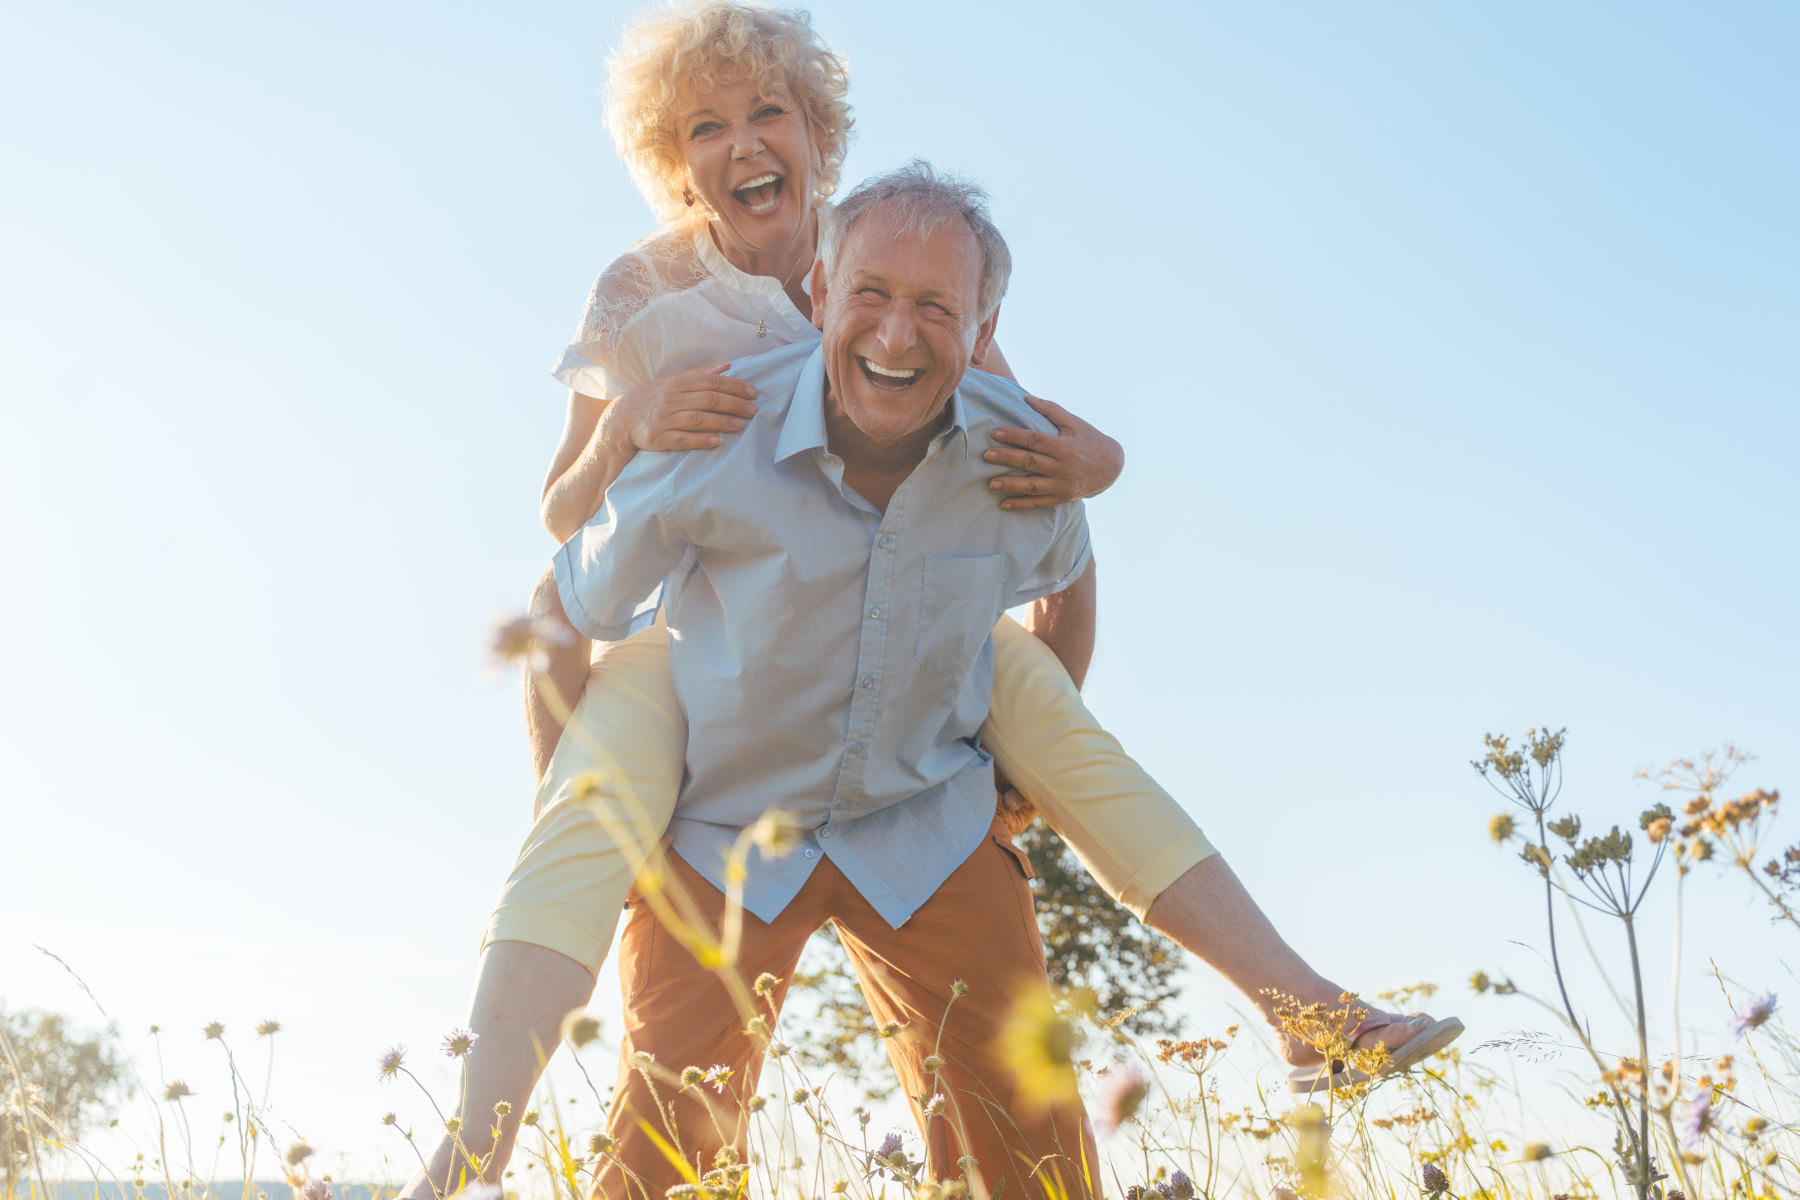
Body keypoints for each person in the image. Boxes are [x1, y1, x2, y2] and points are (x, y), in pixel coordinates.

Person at [397, 4, 1460, 1197]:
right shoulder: (658, 307)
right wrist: (637, 425)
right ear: (671, 156)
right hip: (720, 682)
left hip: (911, 709)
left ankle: (1297, 1004)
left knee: (1047, 724)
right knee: (631, 970)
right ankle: (468, 1152)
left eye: (767, 114)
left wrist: (1098, 478)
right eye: (707, 126)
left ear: (817, 136)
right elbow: (567, 536)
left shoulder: (890, 273)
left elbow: (1038, 476)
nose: (743, 144)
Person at [555, 165, 1099, 1198]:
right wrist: (593, 834)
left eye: (937, 307)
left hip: (926, 816)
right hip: (725, 826)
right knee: (660, 1155)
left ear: (983, 331)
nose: (897, 335)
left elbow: (1068, 575)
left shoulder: (1016, 452)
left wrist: (1019, 789)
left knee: (1032, 1150)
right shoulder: (715, 428)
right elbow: (567, 603)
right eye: (872, 294)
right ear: (818, 298)